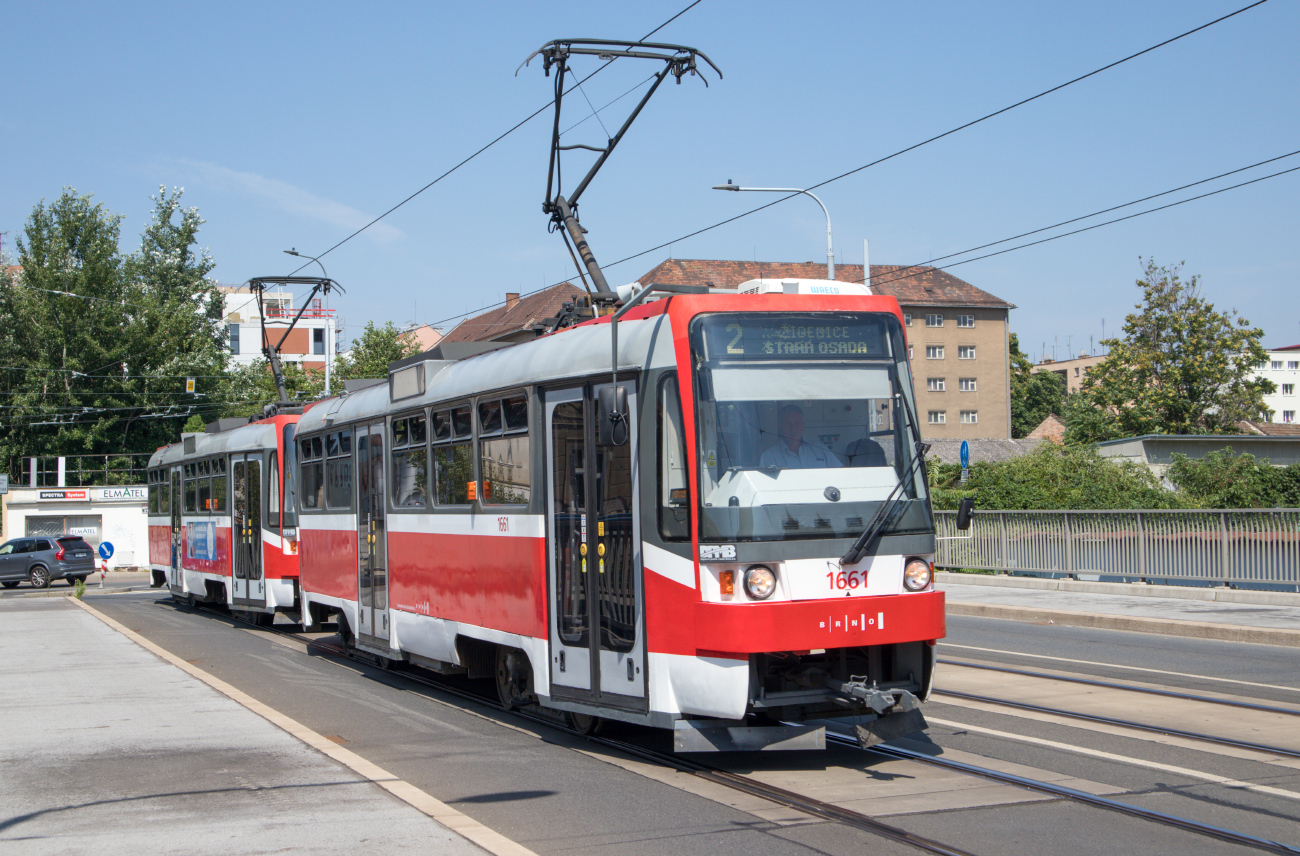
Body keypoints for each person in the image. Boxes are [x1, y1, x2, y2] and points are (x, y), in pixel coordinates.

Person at [759, 405, 841, 469]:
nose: (793, 428)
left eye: (796, 423)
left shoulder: (820, 448)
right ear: (780, 426)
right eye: (787, 424)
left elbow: (842, 472)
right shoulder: (769, 457)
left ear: (803, 425)